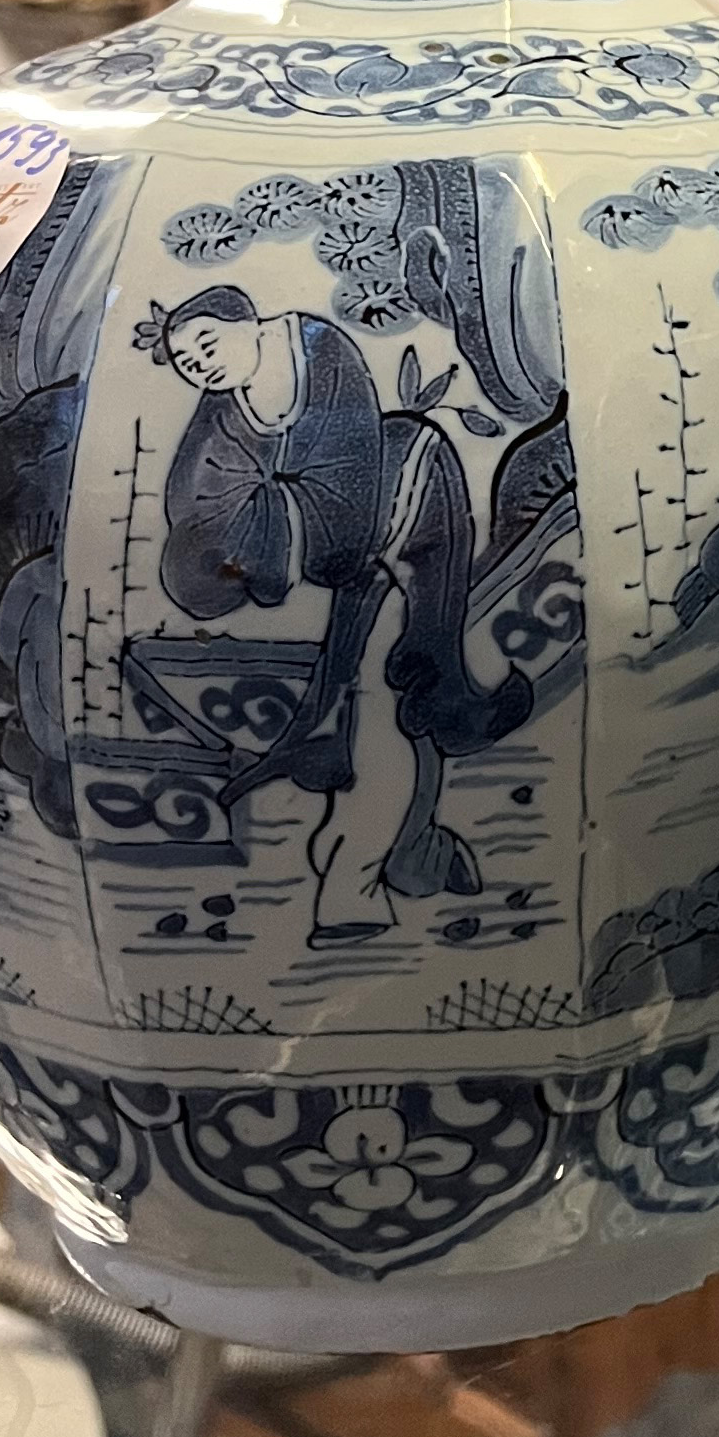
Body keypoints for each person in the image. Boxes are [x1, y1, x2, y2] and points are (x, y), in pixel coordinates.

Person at [150, 283, 525, 943]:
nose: (200, 365)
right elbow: (197, 502)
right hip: (352, 556)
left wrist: (268, 520)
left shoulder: (319, 351)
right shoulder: (225, 403)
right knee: (370, 707)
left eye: (206, 343)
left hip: (409, 518)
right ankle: (400, 857)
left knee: (382, 704)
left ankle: (354, 889)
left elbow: (347, 488)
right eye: (185, 362)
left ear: (250, 320)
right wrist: (239, 534)